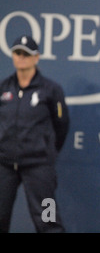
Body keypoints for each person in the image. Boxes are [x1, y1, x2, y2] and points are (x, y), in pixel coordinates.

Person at [0, 35, 69, 233]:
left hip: (39, 166)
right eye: (17, 53)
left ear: (36, 57)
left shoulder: (51, 90)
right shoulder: (3, 88)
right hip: (4, 164)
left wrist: (45, 151)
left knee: (48, 220)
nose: (21, 57)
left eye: (26, 54)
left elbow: (61, 126)